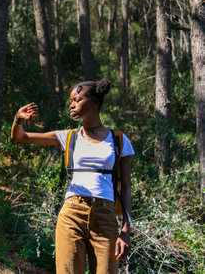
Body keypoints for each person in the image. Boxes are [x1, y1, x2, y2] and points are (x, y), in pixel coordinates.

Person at [11, 80, 134, 274]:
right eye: (71, 101)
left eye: (77, 100)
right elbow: (21, 137)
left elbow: (125, 187)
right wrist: (19, 118)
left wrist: (126, 231)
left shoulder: (118, 139)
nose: (71, 105)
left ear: (94, 102)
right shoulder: (69, 136)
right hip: (72, 214)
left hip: (105, 217)